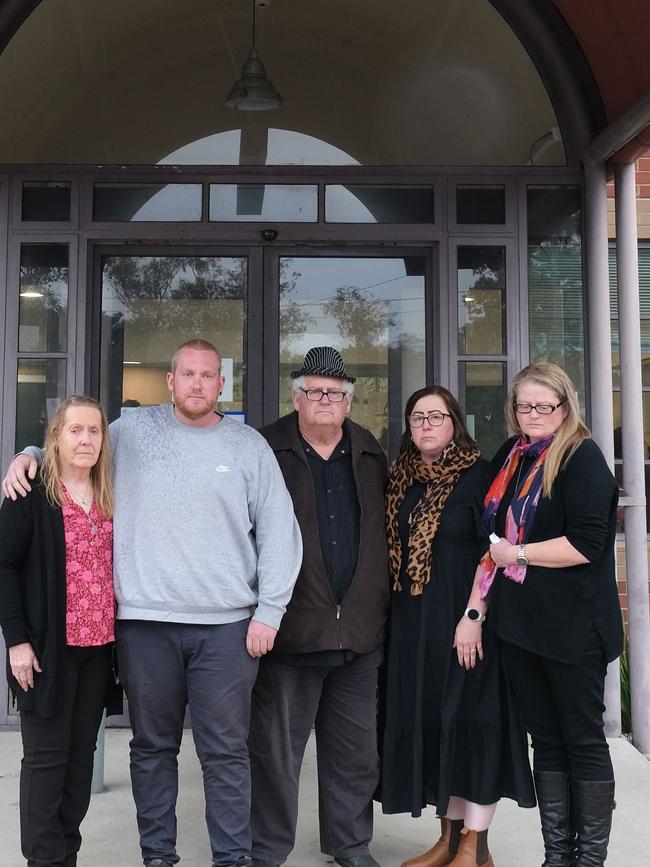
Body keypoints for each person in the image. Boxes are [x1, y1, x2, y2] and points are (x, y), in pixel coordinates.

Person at [2, 339, 303, 867]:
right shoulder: (129, 433)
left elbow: (282, 533)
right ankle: (157, 859)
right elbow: (74, 446)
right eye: (187, 373)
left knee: (226, 754)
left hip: (226, 630)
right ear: (170, 380)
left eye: (207, 375)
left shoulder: (247, 446)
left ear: (221, 384)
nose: (196, 384)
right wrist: (26, 456)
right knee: (152, 750)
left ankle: (232, 861)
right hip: (144, 627)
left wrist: (269, 612)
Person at [472, 362, 624, 867]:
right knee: (548, 742)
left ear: (565, 407)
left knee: (582, 740)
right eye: (524, 405)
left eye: (544, 406)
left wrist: (518, 554)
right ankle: (558, 856)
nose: (533, 414)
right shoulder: (512, 456)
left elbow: (587, 543)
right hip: (521, 627)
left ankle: (589, 861)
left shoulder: (582, 457)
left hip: (573, 629)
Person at [380, 386, 535, 867]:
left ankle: (476, 844)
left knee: (474, 724)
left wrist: (474, 616)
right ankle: (447, 840)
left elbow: (497, 552)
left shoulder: (480, 476)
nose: (425, 425)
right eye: (417, 417)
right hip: (415, 623)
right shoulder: (402, 477)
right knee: (436, 723)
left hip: (467, 621)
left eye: (436, 416)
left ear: (455, 422)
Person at [249, 347, 390, 867]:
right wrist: (35, 452)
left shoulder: (370, 452)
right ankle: (266, 850)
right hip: (290, 634)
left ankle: (350, 846)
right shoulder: (263, 448)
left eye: (334, 391)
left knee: (354, 757)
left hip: (359, 634)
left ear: (349, 401)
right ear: (296, 397)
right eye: (314, 390)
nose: (324, 399)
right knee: (275, 757)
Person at [0, 395, 120, 867]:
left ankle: (65, 854)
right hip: (48, 652)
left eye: (94, 431)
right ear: (55, 436)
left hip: (97, 652)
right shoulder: (30, 493)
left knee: (78, 762)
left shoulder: (110, 491)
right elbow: (4, 566)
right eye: (75, 430)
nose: (85, 439)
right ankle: (43, 860)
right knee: (46, 763)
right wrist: (19, 643)